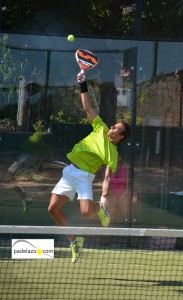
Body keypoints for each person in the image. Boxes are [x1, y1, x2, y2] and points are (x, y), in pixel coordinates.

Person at [48, 72, 131, 263]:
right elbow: (88, 107)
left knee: (86, 212)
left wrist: (103, 195)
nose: (112, 127)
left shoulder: (113, 153)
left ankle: (100, 210)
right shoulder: (100, 127)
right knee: (52, 209)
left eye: (116, 128)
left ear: (120, 137)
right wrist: (82, 84)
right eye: (114, 125)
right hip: (69, 172)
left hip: (85, 176)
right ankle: (74, 241)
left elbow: (108, 176)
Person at [104, 155, 130, 223]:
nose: (117, 162)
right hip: (111, 194)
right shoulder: (109, 167)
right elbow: (106, 181)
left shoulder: (125, 167)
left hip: (123, 195)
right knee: (110, 217)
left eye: (119, 161)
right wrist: (111, 194)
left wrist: (123, 195)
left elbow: (128, 185)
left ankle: (127, 230)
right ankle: (109, 231)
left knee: (126, 215)